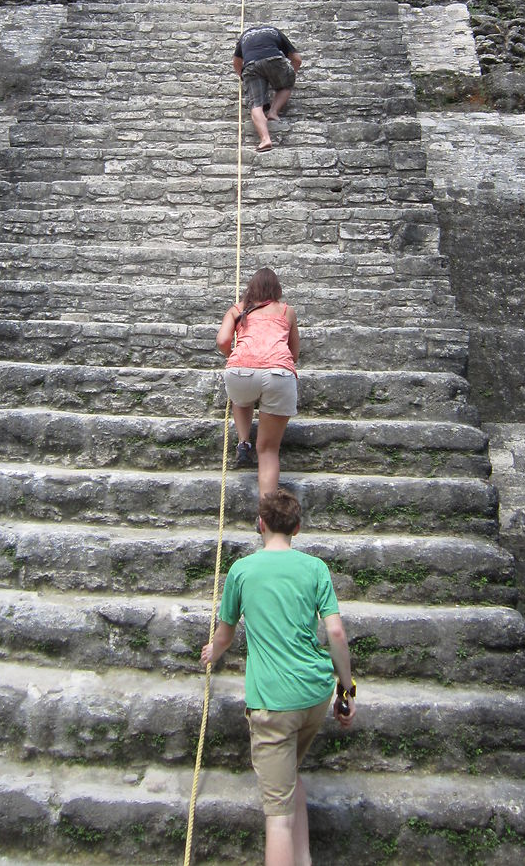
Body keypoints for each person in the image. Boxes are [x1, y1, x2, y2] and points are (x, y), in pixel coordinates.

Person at [200, 487, 356, 866]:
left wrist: (213, 653)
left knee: (278, 819)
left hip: (273, 701)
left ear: (261, 524)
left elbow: (225, 633)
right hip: (315, 696)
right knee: (291, 782)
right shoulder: (315, 568)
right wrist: (346, 690)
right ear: (297, 528)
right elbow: (335, 633)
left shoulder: (241, 570)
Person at [217, 266, 299, 490]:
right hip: (279, 373)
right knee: (269, 451)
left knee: (241, 396)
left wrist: (234, 356)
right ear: (277, 289)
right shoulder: (286, 311)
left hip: (240, 371)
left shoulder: (238, 309)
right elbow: (294, 353)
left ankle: (243, 442)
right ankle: (266, 517)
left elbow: (223, 340)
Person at [232, 24, 301, 152]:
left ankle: (265, 140)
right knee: (285, 86)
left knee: (255, 105)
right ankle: (273, 112)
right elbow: (297, 59)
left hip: (250, 65)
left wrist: (244, 78)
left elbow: (236, 62)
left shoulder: (244, 36)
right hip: (274, 59)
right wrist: (290, 75)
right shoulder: (275, 31)